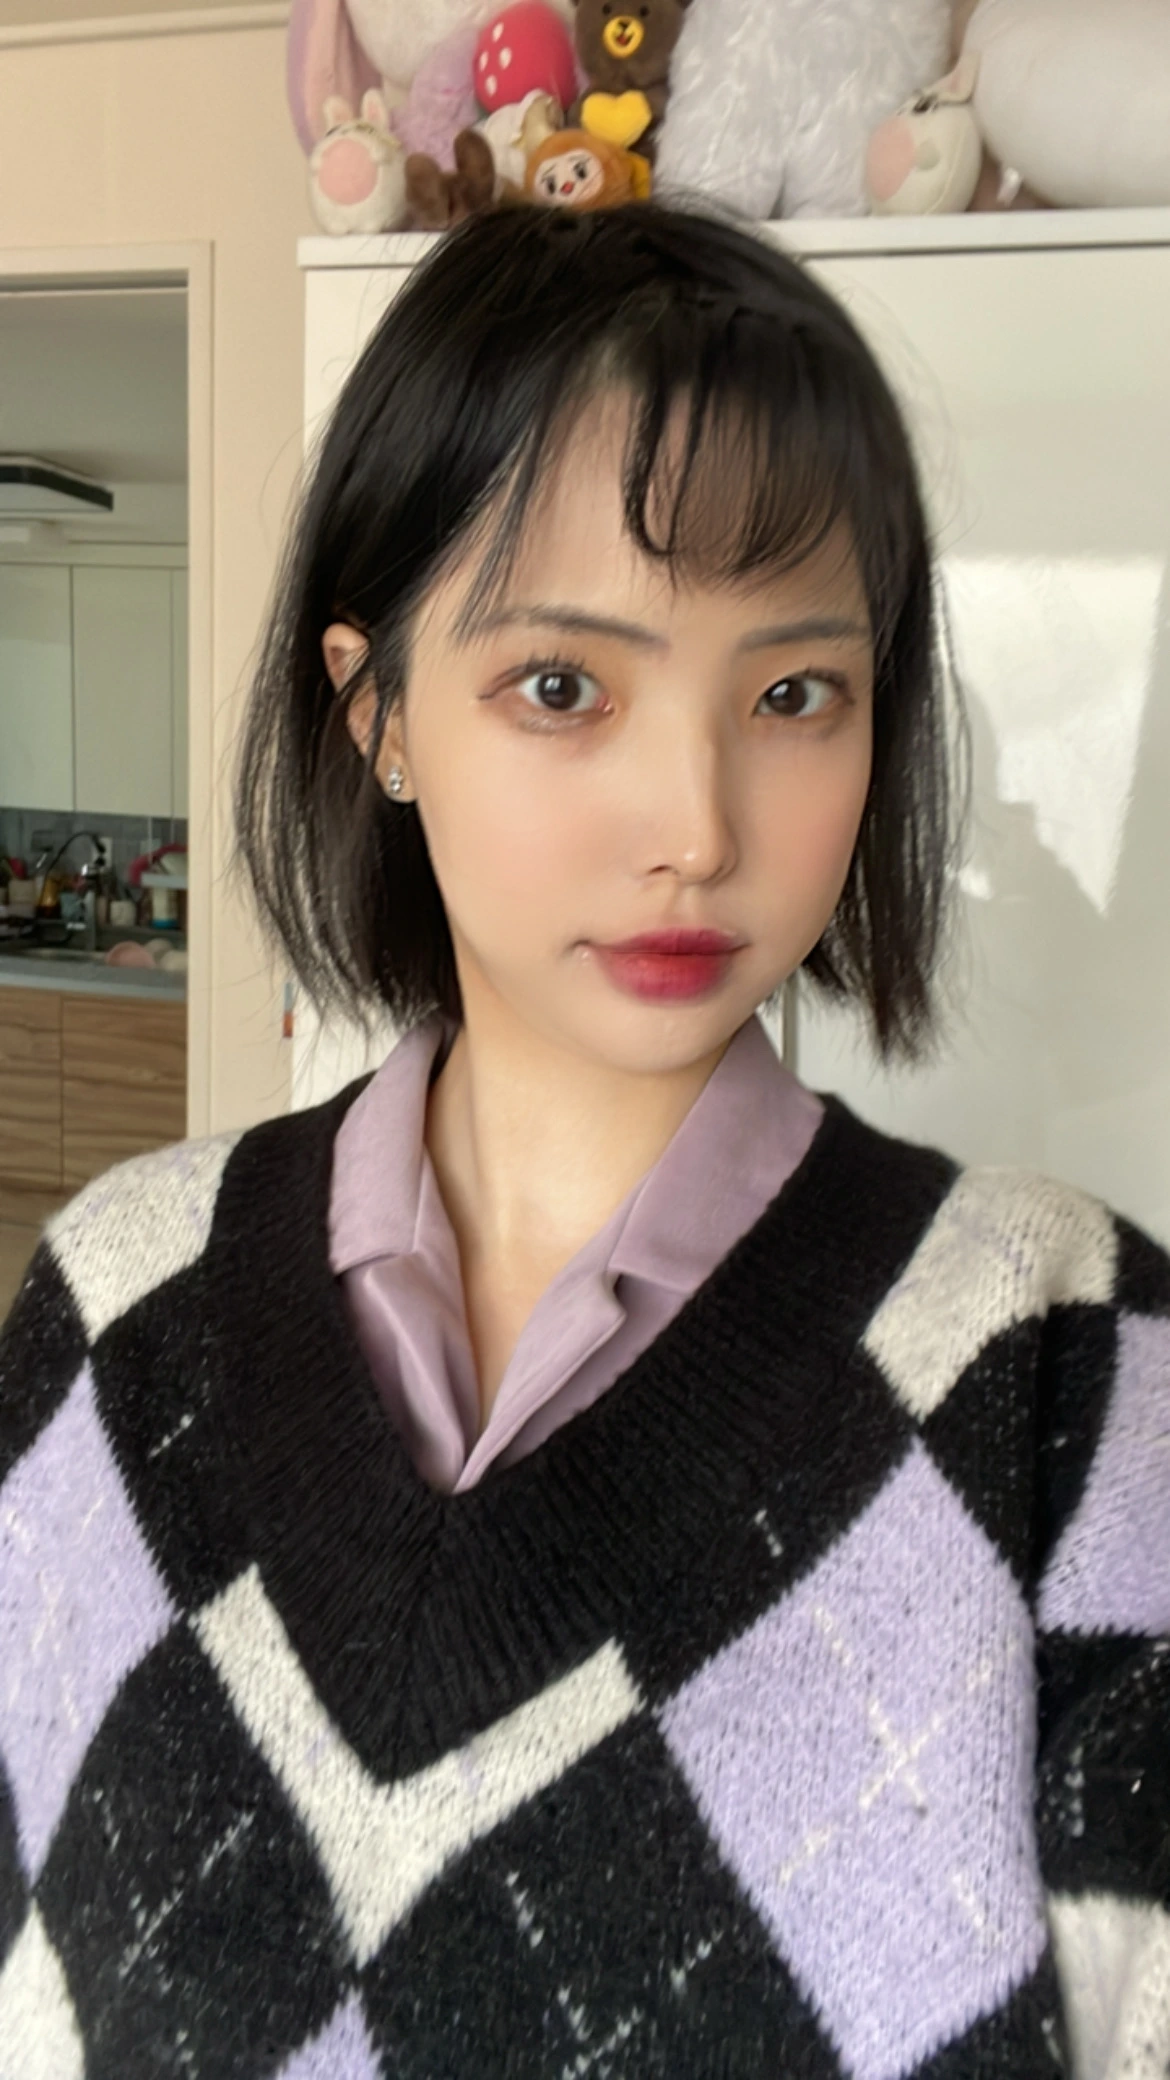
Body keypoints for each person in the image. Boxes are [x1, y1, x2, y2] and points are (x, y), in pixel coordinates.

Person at [0, 203, 1166, 2080]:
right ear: (379, 713)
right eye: (563, 686)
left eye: (792, 695)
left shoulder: (1078, 1374)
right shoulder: (114, 1314)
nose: (696, 824)